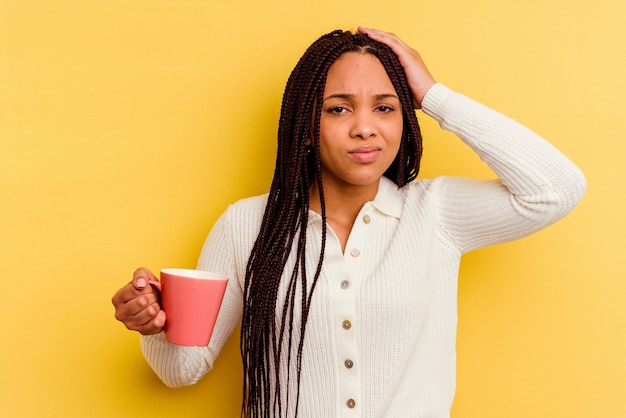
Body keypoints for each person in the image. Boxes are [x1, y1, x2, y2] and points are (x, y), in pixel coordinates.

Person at [112, 27, 586, 418]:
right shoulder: (247, 226)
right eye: (339, 108)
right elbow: (183, 369)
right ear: (305, 122)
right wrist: (154, 327)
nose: (365, 127)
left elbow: (556, 189)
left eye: (385, 107)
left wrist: (435, 96)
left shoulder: (433, 214)